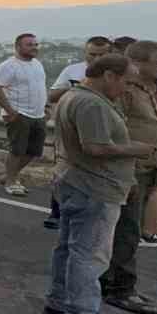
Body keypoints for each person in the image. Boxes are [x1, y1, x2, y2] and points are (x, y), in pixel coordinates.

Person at [46, 54, 153, 314]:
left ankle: (59, 303)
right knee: (90, 253)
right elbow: (95, 147)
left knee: (69, 249)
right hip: (94, 187)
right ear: (109, 75)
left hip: (76, 181)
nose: (128, 88)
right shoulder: (91, 103)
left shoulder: (75, 96)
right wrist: (136, 149)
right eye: (126, 82)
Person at [98, 42, 157, 314]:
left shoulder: (145, 89)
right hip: (131, 169)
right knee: (126, 231)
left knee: (131, 229)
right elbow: (116, 128)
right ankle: (119, 289)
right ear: (138, 63)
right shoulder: (125, 91)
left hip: (147, 167)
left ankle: (119, 285)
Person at [42, 36, 113, 228]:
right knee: (64, 169)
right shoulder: (72, 70)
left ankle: (93, 215)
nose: (96, 59)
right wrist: (77, 87)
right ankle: (56, 213)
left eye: (102, 55)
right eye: (92, 54)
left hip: (101, 129)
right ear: (85, 52)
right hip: (72, 129)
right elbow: (52, 95)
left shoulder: (116, 74)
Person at [0, 33, 48, 197]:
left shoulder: (37, 64)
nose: (34, 47)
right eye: (29, 44)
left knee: (34, 151)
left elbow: (40, 87)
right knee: (17, 150)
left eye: (35, 44)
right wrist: (11, 111)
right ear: (18, 47)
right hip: (19, 113)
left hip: (38, 115)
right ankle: (11, 182)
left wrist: (46, 107)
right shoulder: (8, 66)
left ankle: (9, 175)